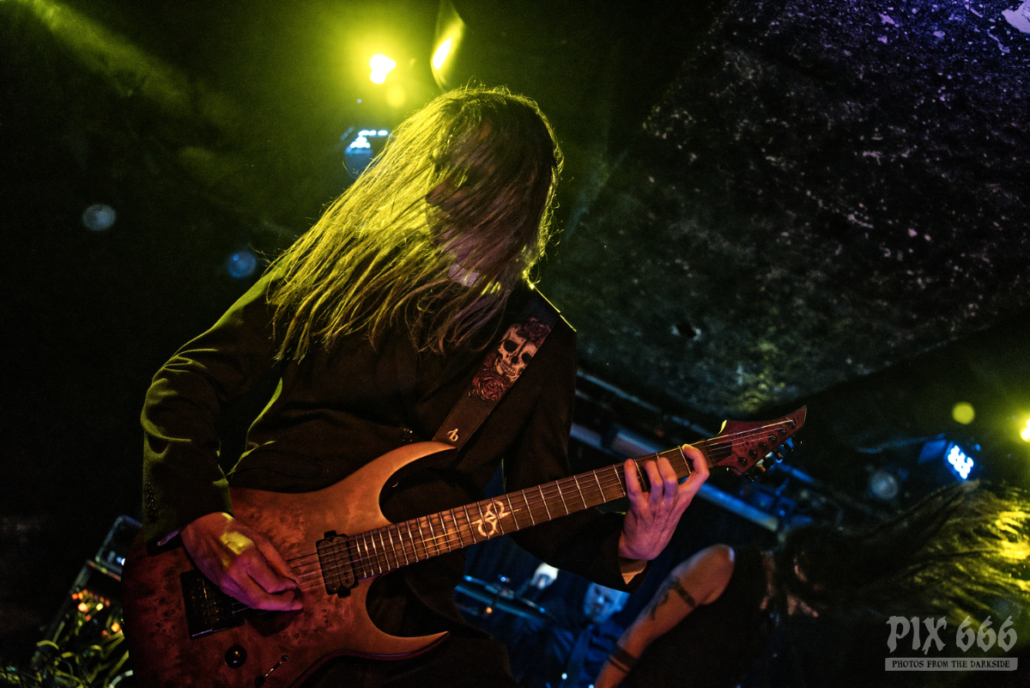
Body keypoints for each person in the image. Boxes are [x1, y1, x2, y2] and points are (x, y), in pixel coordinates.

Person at [140, 86, 710, 687]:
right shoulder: (352, 262)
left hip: (403, 610)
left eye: (463, 176)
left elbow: (538, 511)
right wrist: (200, 517)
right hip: (263, 559)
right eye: (440, 168)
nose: (437, 190)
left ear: (510, 195)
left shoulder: (539, 341)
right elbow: (188, 379)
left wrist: (631, 547)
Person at [594, 481, 1030, 688]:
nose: (816, 611)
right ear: (802, 569)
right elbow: (639, 634)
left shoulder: (766, 614)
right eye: (816, 598)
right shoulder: (723, 564)